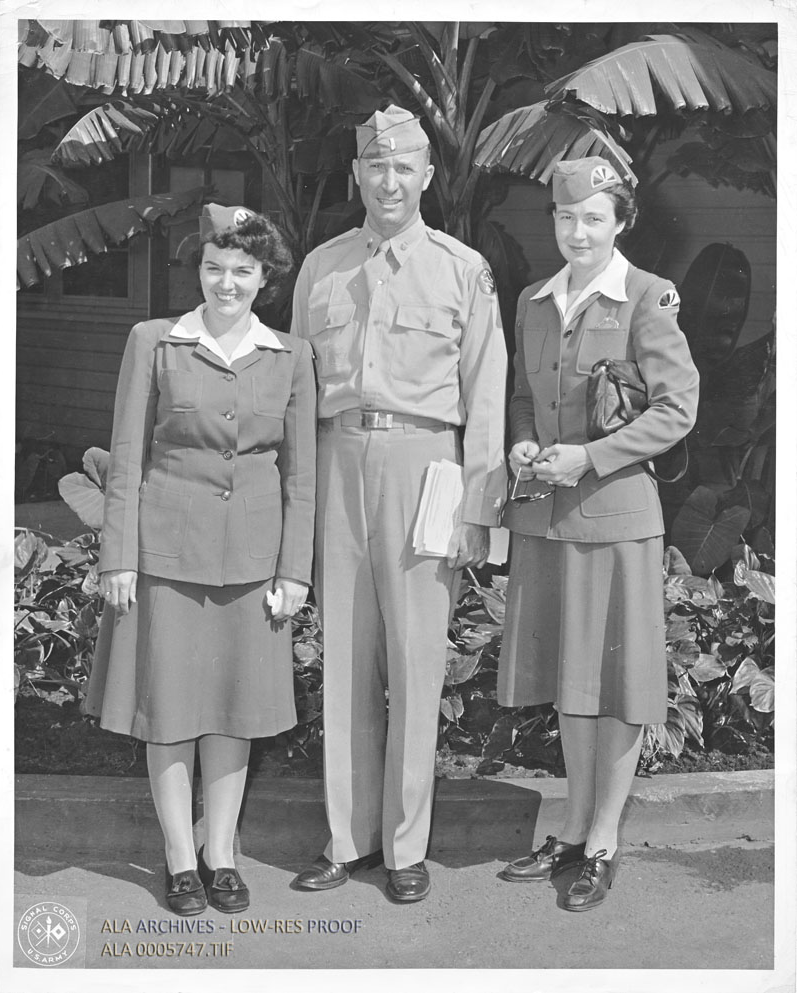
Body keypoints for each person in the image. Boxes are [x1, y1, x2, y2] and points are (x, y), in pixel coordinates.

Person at [289, 105, 507, 903]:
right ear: (357, 175)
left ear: (426, 176)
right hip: (339, 457)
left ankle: (407, 845)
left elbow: (487, 394)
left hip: (427, 465)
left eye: (403, 167)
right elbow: (297, 390)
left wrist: (481, 510)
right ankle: (348, 839)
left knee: (417, 659)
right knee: (345, 655)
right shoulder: (321, 268)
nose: (389, 181)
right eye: (375, 167)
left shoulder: (462, 269)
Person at [84, 204, 316, 916]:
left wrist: (294, 570)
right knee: (172, 711)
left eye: (242, 269)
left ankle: (222, 853)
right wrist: (118, 558)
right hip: (167, 555)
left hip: (251, 561)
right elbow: (127, 457)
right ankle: (180, 859)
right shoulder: (154, 342)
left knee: (233, 713)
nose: (226, 282)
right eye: (215, 267)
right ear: (199, 271)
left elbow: (301, 475)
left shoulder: (291, 355)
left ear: (265, 276)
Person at [497, 157, 699, 911]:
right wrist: (523, 441)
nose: (577, 232)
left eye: (592, 218)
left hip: (615, 518)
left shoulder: (646, 296)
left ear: (620, 222)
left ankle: (604, 840)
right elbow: (524, 394)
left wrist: (589, 456)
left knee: (614, 685)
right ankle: (573, 828)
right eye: (564, 217)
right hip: (548, 520)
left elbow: (677, 409)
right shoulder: (534, 300)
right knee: (571, 681)